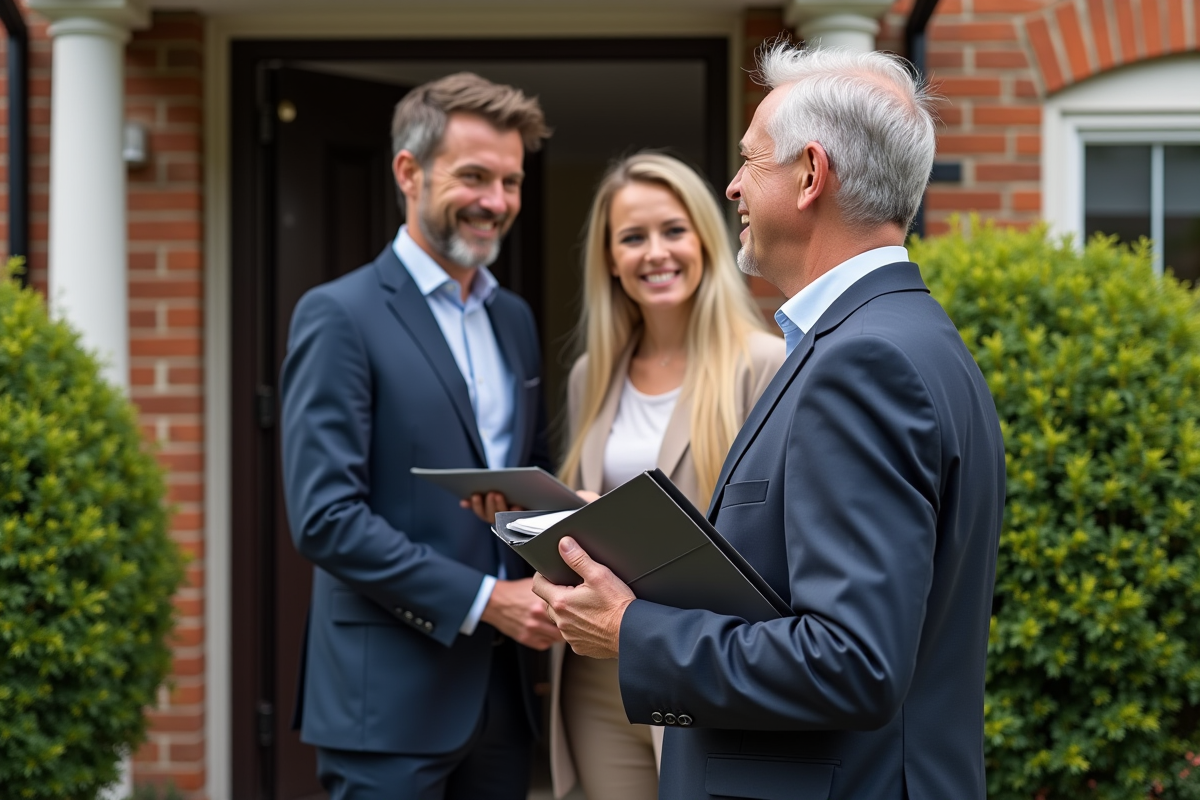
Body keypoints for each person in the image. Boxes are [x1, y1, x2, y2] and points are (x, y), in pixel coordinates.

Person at [533, 43, 1006, 800]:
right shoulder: (910, 338)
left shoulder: (862, 363)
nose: (732, 187)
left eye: (751, 161)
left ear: (811, 174)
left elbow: (851, 662)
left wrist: (631, 632)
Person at [280, 72, 560, 800]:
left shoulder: (515, 321)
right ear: (408, 170)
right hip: (384, 705)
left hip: (502, 701)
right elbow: (325, 519)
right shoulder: (338, 315)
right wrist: (485, 600)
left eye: (511, 181)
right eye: (473, 176)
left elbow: (522, 475)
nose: (495, 202)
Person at [549, 153, 786, 800]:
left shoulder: (765, 365)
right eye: (632, 237)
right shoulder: (591, 374)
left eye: (673, 230)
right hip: (598, 680)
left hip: (699, 666)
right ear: (610, 259)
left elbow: (770, 541)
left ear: (706, 239)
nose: (655, 253)